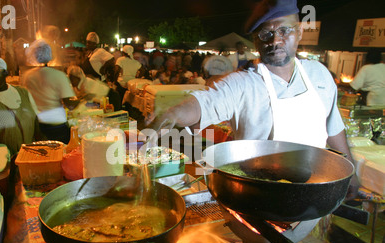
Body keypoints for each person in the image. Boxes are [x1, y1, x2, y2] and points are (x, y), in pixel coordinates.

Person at [147, 0, 359, 200]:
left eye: (284, 30)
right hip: (259, 195)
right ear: (256, 40)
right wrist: (174, 112)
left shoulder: (319, 75)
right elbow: (204, 102)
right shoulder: (243, 83)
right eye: (266, 33)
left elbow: (333, 128)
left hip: (315, 191)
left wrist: (350, 170)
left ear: (300, 31)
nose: (275, 40)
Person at [22, 39, 80, 144]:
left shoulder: (27, 76)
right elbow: (70, 104)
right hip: (56, 125)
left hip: (36, 125)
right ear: (50, 55)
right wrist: (80, 100)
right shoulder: (59, 75)